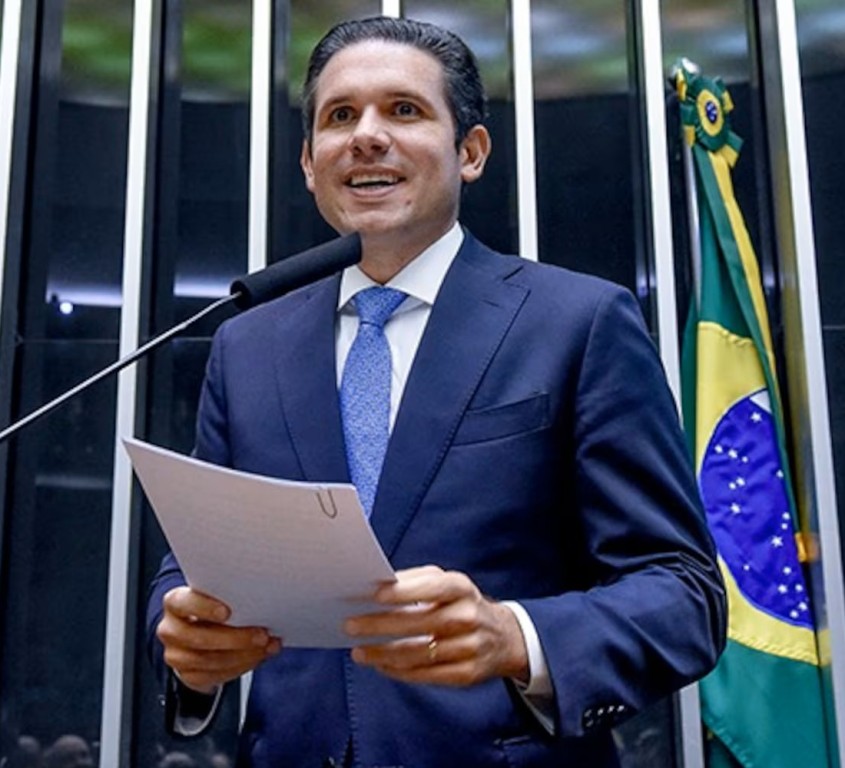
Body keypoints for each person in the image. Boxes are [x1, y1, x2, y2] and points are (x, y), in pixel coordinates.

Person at [147, 15, 726, 768]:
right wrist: (184, 640)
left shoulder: (578, 322)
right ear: (309, 163)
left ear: (471, 152)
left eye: (404, 109)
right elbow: (196, 564)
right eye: (340, 116)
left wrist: (516, 636)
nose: (366, 136)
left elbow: (682, 592)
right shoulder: (246, 345)